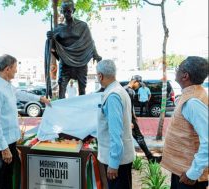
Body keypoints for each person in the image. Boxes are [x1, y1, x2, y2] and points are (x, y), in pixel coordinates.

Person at [0, 54, 51, 189]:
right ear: (7, 69)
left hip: (9, 141)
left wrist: (40, 99)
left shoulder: (7, 85)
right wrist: (4, 148)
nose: (16, 70)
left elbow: (21, 94)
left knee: (7, 178)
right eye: (15, 68)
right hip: (0, 144)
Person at [161, 56, 208, 189]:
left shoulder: (193, 102)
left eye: (178, 69)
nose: (176, 71)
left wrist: (193, 173)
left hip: (188, 177)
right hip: (183, 170)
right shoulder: (192, 94)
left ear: (185, 76)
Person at [46, 0, 102, 99]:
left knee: (82, 89)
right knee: (62, 87)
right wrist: (50, 39)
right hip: (65, 63)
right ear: (61, 11)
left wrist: (96, 55)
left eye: (69, 11)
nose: (66, 14)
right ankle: (62, 110)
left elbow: (90, 42)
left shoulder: (82, 26)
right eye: (64, 11)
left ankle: (81, 110)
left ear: (73, 10)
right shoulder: (58, 28)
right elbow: (54, 48)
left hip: (81, 62)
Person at [96, 59, 135, 189]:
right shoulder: (119, 90)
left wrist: (113, 163)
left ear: (100, 75)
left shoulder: (113, 96)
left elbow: (115, 131)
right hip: (121, 159)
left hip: (118, 161)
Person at [124, 75, 161, 163]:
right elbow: (125, 107)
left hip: (129, 118)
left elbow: (130, 106)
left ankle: (150, 157)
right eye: (139, 84)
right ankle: (150, 158)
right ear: (134, 81)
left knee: (136, 137)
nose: (139, 86)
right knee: (138, 137)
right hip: (127, 119)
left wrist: (134, 115)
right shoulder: (129, 91)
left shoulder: (127, 89)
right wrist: (129, 120)